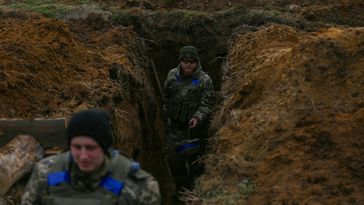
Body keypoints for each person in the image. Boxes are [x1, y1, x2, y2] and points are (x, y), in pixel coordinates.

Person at [21, 109, 161, 205]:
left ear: (106, 147)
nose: (83, 156)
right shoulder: (46, 172)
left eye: (90, 148)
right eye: (76, 147)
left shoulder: (139, 185)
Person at [163, 46, 215, 192]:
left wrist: (198, 117)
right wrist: (165, 115)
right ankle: (181, 190)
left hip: (195, 131)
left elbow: (208, 103)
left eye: (191, 62)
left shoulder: (204, 80)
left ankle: (194, 192)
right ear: (180, 62)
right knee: (174, 161)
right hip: (175, 129)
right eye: (185, 61)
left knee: (195, 164)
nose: (188, 64)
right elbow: (166, 97)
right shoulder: (172, 75)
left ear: (196, 62)